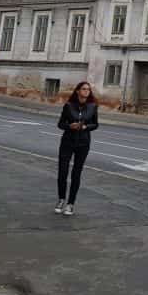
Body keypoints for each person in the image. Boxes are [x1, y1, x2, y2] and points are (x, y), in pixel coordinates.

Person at [55, 82, 99, 216]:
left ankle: (70, 204)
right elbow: (60, 124)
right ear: (78, 91)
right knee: (62, 171)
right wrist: (70, 126)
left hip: (83, 143)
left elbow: (96, 124)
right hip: (67, 141)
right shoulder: (68, 106)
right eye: (84, 89)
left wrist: (86, 127)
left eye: (88, 90)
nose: (86, 92)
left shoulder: (93, 107)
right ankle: (61, 199)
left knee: (76, 173)